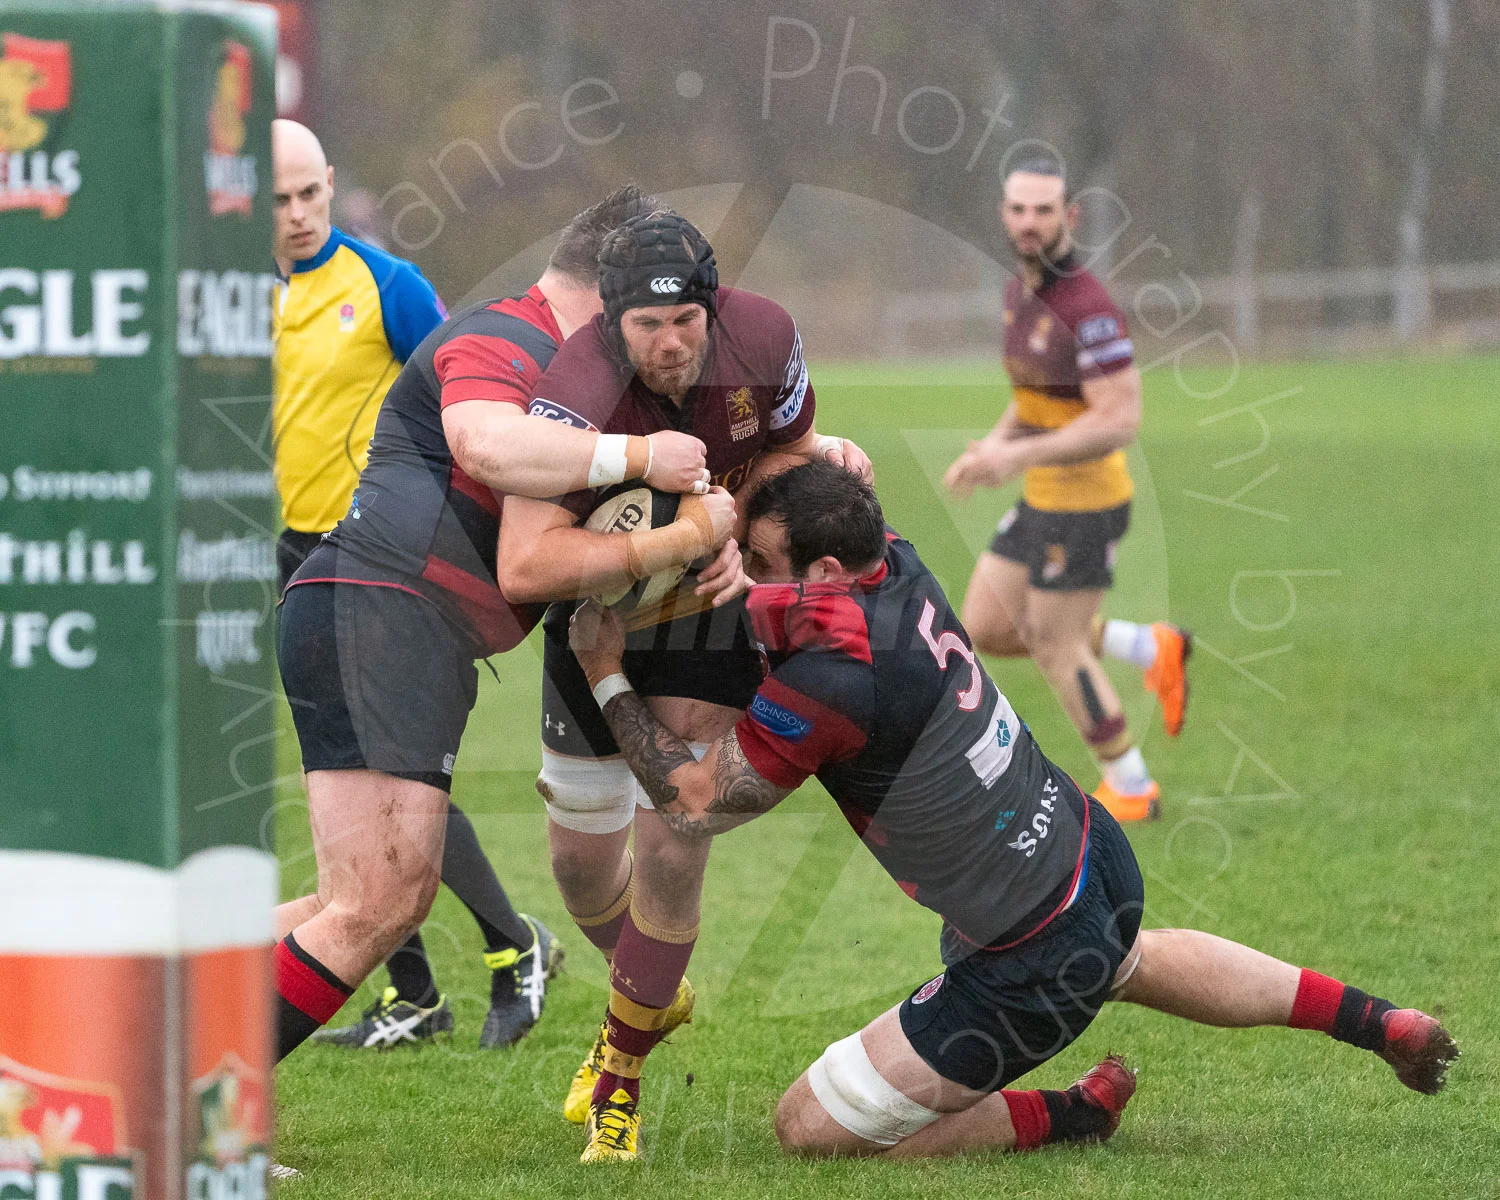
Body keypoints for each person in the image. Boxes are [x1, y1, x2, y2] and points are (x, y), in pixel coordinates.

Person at [569, 460, 1459, 1160]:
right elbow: (811, 540)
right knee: (1125, 956)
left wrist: (606, 671)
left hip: (1028, 958)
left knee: (806, 1127)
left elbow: (695, 803)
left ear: (827, 569)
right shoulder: (896, 557)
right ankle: (1377, 1021)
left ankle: (1073, 1114)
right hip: (1089, 851)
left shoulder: (834, 683)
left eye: (761, 562)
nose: (747, 573)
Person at [271, 184, 724, 1063]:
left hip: (385, 621)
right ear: (612, 288)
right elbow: (484, 444)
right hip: (382, 612)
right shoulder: (509, 336)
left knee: (354, 901)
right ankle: (193, 1105)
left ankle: (152, 1017)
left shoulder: (588, 379)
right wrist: (639, 457)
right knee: (377, 904)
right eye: (648, 307)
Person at [497, 210, 873, 1161]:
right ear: (609, 320)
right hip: (598, 615)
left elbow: (786, 454)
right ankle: (653, 992)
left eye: (686, 322)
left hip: (706, 614)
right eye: (647, 326)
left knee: (675, 836)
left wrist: (743, 535)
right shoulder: (573, 387)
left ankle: (619, 1083)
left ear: (713, 308)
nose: (670, 344)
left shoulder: (766, 336)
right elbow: (524, 566)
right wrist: (680, 537)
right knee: (583, 870)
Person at [271, 118, 546, 1050]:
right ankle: (417, 993)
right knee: (357, 788)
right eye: (278, 200)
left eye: (311, 192)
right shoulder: (235, 298)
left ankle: (513, 946)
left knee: (394, 780)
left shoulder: (387, 285)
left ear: (330, 181)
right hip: (301, 555)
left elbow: (470, 399)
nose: (300, 213)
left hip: (387, 561)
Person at [944, 159, 1188, 824]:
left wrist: (1014, 456)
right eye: (1019, 209)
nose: (1030, 222)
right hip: (1043, 493)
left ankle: (1131, 785)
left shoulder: (1090, 309)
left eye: (1044, 210)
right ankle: (1149, 647)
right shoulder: (1017, 294)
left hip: (1087, 503)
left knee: (1055, 642)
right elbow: (1034, 399)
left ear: (1069, 217)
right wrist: (994, 447)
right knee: (988, 626)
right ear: (1004, 214)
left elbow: (1119, 420)